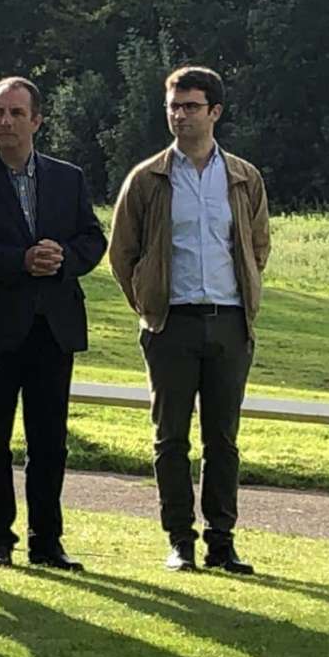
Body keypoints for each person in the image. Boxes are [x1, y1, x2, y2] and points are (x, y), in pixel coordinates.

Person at [109, 66, 270, 575]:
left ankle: (222, 541)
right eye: (174, 106)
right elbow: (122, 253)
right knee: (170, 436)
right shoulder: (148, 178)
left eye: (191, 106)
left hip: (228, 322)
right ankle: (180, 538)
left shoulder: (244, 178)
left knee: (222, 439)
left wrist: (242, 297)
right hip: (169, 324)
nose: (180, 115)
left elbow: (257, 247)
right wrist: (148, 304)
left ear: (215, 112)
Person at [0, 77, 106, 570]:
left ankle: (47, 543)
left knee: (49, 441)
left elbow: (93, 239)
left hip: (52, 328)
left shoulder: (67, 177)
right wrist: (20, 260)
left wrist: (65, 258)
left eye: (16, 113)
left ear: (37, 120)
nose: (6, 122)